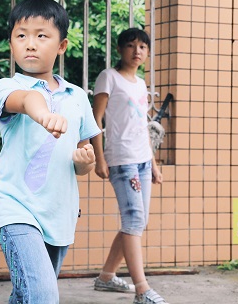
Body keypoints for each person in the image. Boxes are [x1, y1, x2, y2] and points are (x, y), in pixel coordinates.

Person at [0, 0, 101, 304]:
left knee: (29, 296)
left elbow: (82, 153)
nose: (30, 44)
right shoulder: (5, 86)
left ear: (61, 46)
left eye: (41, 36)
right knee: (43, 296)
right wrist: (43, 115)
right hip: (16, 208)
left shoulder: (77, 96)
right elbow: (26, 101)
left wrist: (85, 161)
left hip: (59, 213)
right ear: (11, 43)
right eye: (21, 35)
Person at [92, 28, 168, 304]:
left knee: (136, 221)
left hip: (143, 160)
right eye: (131, 45)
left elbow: (142, 127)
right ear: (120, 49)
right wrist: (100, 158)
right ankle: (142, 289)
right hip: (121, 158)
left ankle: (106, 277)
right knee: (134, 219)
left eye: (143, 47)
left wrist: (154, 163)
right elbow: (95, 120)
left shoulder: (140, 84)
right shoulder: (108, 77)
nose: (137, 51)